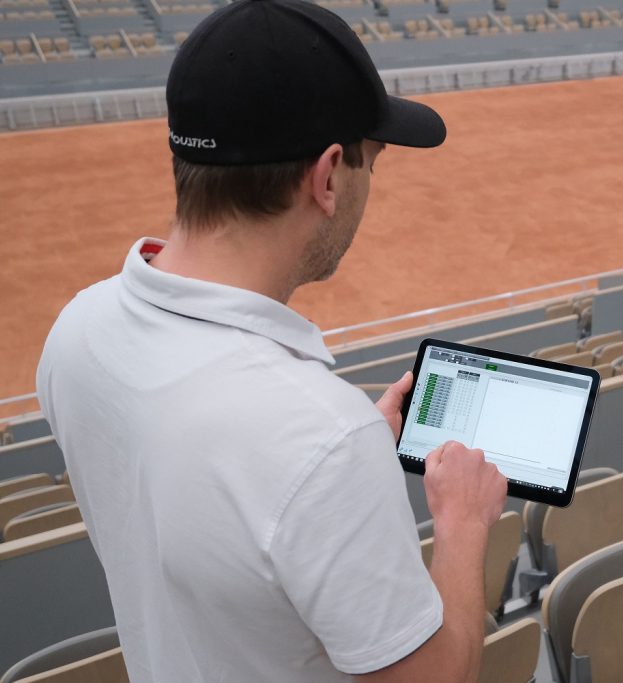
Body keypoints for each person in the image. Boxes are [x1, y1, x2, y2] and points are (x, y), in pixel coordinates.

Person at [35, 0, 508, 681]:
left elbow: (220, 501)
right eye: (372, 160)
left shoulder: (76, 330)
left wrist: (328, 474)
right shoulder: (322, 440)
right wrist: (462, 521)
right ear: (326, 176)